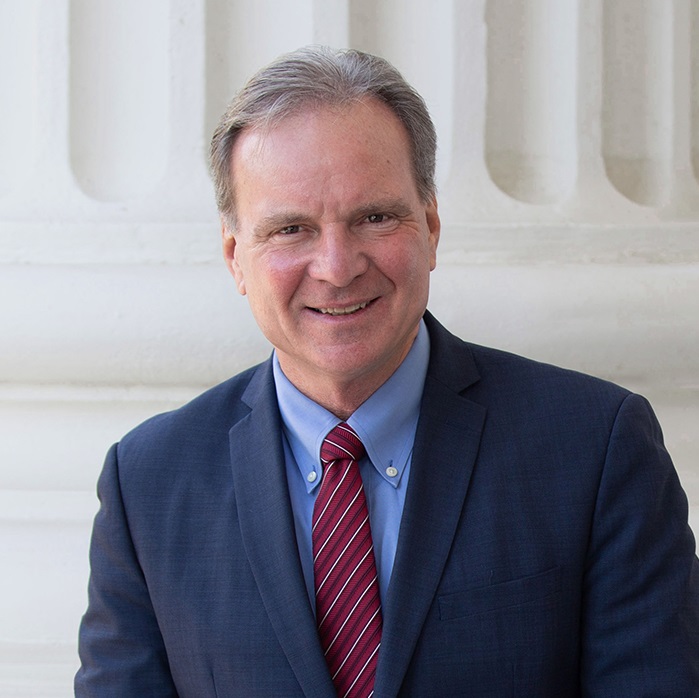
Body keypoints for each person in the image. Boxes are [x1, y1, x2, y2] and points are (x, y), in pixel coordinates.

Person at [75, 46, 699, 697]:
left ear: (429, 225)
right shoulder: (148, 481)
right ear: (236, 257)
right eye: (290, 229)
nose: (337, 266)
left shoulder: (593, 447)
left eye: (373, 217)